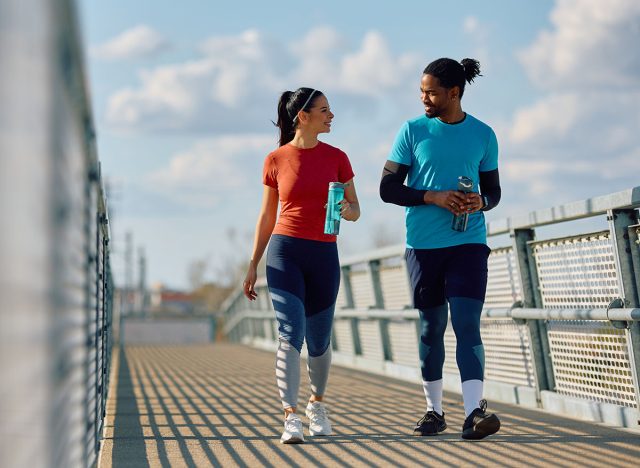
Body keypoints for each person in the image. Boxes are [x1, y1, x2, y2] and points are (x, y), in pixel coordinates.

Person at [379, 58, 502, 440]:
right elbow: (387, 188)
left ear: (454, 92)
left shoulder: (483, 134)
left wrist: (479, 203)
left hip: (468, 242)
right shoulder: (412, 131)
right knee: (431, 329)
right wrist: (432, 196)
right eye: (421, 91)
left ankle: (473, 414)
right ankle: (434, 411)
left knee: (467, 325)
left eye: (431, 92)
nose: (424, 98)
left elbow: (494, 192)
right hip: (423, 246)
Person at [243, 87, 360, 444]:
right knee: (290, 332)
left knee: (320, 340)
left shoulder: (338, 157)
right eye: (324, 110)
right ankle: (290, 415)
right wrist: (252, 265)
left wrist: (346, 210)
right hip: (285, 252)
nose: (331, 115)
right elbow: (266, 216)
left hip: (324, 253)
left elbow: (355, 209)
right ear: (303, 117)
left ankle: (317, 405)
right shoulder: (276, 159)